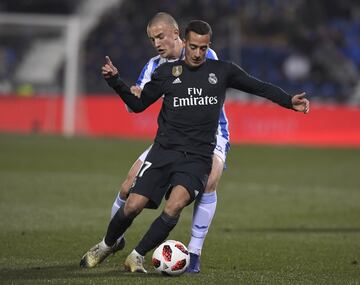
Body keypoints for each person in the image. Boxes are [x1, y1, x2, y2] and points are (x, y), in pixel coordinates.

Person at [80, 19, 310, 274]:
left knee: (189, 195)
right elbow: (137, 104)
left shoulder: (218, 68)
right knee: (131, 197)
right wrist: (117, 82)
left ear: (184, 38)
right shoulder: (160, 70)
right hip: (166, 146)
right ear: (186, 44)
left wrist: (289, 101)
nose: (198, 53)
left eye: (202, 48)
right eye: (194, 47)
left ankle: (158, 254)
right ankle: (108, 243)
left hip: (203, 146)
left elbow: (258, 86)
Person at [108, 12, 227, 273]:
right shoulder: (153, 66)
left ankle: (194, 253)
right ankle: (113, 241)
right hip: (173, 138)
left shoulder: (204, 54)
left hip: (211, 133)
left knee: (210, 179)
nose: (157, 43)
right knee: (129, 185)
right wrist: (132, 93)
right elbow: (135, 105)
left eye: (160, 36)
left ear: (176, 34)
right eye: (152, 39)